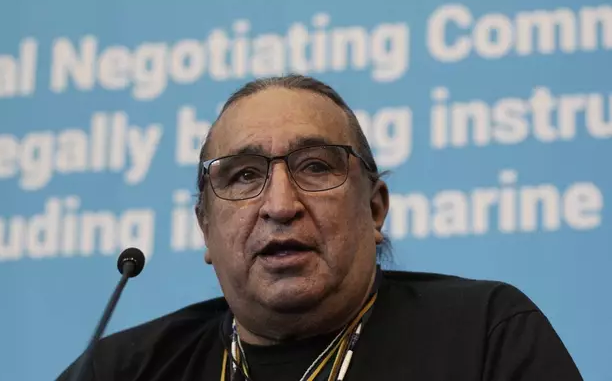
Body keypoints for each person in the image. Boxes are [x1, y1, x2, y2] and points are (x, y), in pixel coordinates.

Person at [57, 74, 584, 381]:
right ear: (205, 232)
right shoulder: (121, 372)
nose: (280, 205)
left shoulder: (485, 336)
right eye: (244, 176)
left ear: (375, 209)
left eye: (315, 167)